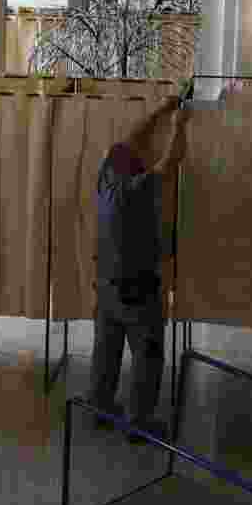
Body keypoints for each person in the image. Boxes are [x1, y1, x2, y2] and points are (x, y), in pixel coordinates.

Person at [88, 96, 190, 442]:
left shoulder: (106, 178)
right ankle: (139, 422)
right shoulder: (139, 189)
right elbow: (172, 160)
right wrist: (178, 124)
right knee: (147, 356)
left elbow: (129, 140)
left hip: (105, 285)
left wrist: (160, 110)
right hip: (137, 292)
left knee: (106, 349)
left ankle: (99, 407)